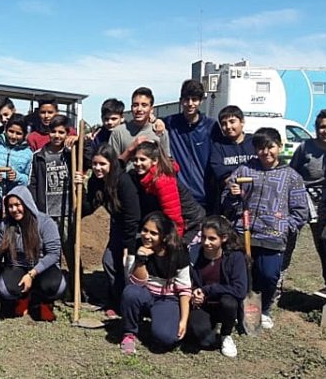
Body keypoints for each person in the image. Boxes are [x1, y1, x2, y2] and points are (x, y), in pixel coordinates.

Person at [223, 127, 308, 330]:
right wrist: (233, 194)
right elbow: (226, 202)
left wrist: (284, 226)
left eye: (270, 147)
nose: (266, 152)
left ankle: (265, 309)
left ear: (279, 147)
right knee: (241, 274)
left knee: (269, 275)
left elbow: (300, 210)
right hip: (244, 233)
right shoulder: (245, 170)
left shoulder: (291, 176)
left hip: (273, 235)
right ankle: (240, 307)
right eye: (261, 148)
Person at [75, 144, 141, 318]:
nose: (97, 168)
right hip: (118, 226)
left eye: (102, 164)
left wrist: (128, 246)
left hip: (135, 230)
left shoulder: (123, 181)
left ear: (111, 163)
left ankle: (132, 305)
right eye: (95, 164)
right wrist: (79, 188)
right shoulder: (96, 181)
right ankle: (116, 301)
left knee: (129, 267)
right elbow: (88, 208)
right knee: (110, 262)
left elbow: (132, 215)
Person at [0, 186, 66, 321]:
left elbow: (53, 254)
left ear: (27, 203)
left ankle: (45, 301)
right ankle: (23, 298)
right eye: (10, 206)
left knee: (55, 287)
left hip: (43, 267)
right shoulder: (6, 224)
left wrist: (31, 274)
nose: (14, 210)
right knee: (5, 289)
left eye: (17, 205)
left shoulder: (45, 222)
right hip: (18, 265)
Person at [289, 109, 326, 300]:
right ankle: (275, 283)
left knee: (324, 244)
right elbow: (291, 172)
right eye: (322, 127)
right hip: (301, 199)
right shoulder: (305, 147)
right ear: (316, 128)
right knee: (287, 240)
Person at [119, 212, 191, 355]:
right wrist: (141, 259)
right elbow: (135, 282)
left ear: (164, 236)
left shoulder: (178, 251)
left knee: (166, 339)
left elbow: (184, 290)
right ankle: (129, 333)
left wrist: (183, 321)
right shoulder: (138, 244)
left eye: (153, 233)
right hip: (145, 293)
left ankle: (160, 324)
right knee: (130, 292)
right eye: (145, 230)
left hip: (167, 298)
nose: (147, 236)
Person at [28, 115, 77, 298]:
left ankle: (76, 289)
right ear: (49, 133)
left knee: (70, 250)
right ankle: (53, 288)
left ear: (67, 133)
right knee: (49, 251)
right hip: (47, 213)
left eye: (61, 132)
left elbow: (87, 158)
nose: (57, 135)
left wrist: (79, 141)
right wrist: (35, 209)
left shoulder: (71, 153)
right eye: (54, 131)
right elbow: (32, 183)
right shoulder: (39, 156)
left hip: (66, 212)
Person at [187, 216, 247, 358]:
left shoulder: (235, 257)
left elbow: (240, 290)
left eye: (212, 239)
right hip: (202, 304)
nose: (206, 242)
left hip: (223, 303)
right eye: (203, 237)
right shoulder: (194, 254)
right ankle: (210, 327)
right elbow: (185, 281)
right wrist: (193, 294)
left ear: (224, 238)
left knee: (229, 302)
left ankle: (226, 334)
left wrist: (208, 290)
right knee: (205, 341)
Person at [164, 79, 221, 211]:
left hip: (205, 197)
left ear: (201, 101)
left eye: (194, 99)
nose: (190, 104)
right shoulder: (170, 123)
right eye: (186, 99)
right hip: (179, 198)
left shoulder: (211, 126)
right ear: (180, 100)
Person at [132, 141, 185, 237]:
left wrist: (174, 242)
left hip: (188, 223)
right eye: (135, 160)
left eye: (142, 159)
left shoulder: (162, 180)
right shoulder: (146, 178)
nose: (138, 163)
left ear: (155, 161)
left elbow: (173, 215)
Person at [208, 105, 256, 213]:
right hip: (230, 202)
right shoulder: (218, 146)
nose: (228, 126)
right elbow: (220, 173)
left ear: (242, 122)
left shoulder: (254, 142)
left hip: (256, 199)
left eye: (232, 121)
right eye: (224, 124)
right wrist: (233, 185)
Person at [109, 87, 170, 170]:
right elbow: (112, 166)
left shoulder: (160, 132)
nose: (139, 109)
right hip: (125, 181)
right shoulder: (118, 132)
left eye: (144, 105)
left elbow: (166, 164)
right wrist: (131, 149)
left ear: (151, 109)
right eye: (135, 105)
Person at [84, 98, 124, 169]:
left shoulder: (127, 133)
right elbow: (89, 160)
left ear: (122, 118)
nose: (110, 122)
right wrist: (88, 144)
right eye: (106, 119)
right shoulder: (98, 136)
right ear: (101, 118)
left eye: (114, 119)